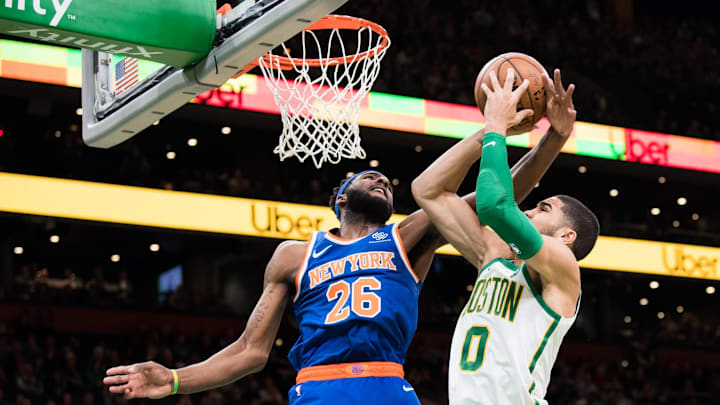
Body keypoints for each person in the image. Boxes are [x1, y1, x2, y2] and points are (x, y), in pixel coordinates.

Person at [102, 85, 572, 404]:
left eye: (388, 182)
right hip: (318, 388)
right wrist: (177, 379)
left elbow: (500, 197)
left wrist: (532, 139)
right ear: (340, 198)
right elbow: (250, 351)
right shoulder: (293, 256)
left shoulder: (405, 238)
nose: (382, 181)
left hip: (386, 384)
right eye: (369, 177)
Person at [412, 68, 599, 405]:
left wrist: (499, 126)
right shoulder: (493, 255)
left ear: (567, 235)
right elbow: (429, 191)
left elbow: (496, 207)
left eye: (543, 209)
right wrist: (490, 131)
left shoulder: (563, 266)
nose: (528, 211)